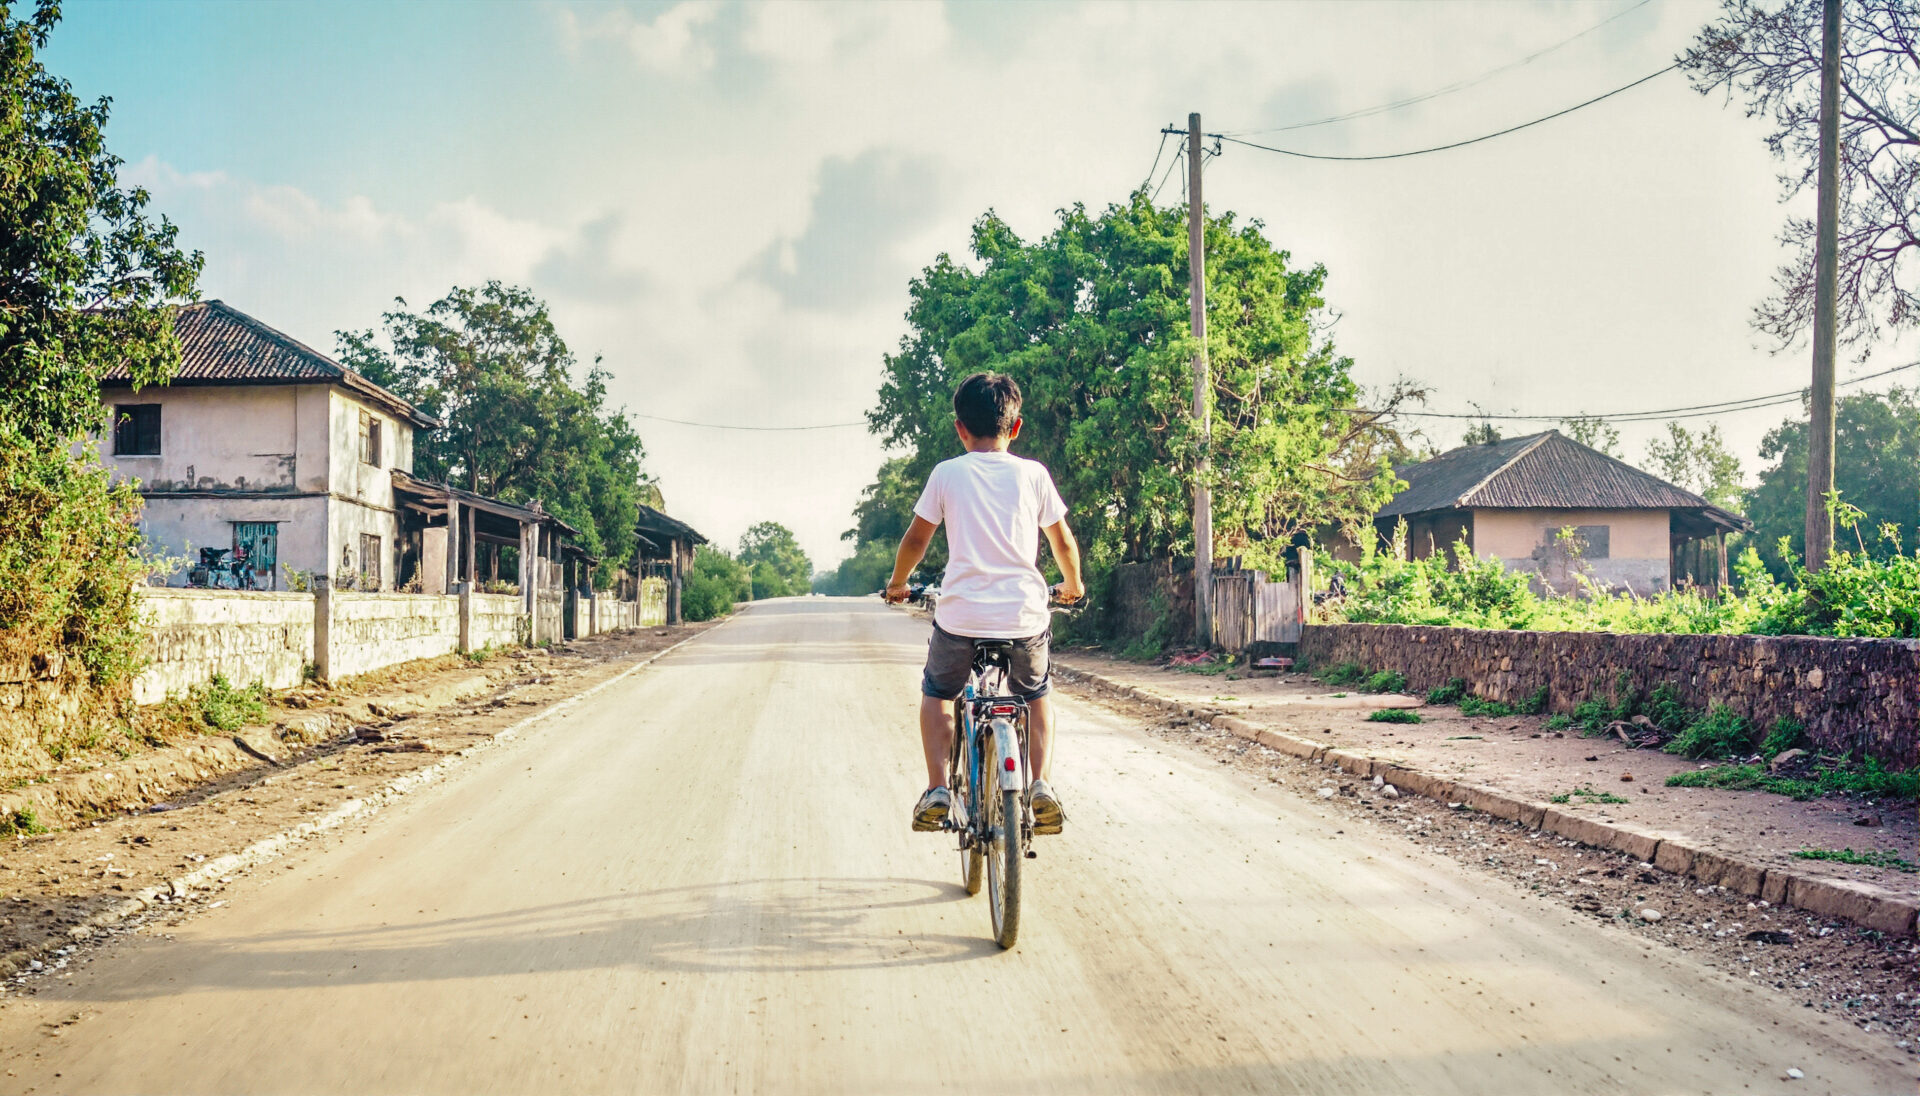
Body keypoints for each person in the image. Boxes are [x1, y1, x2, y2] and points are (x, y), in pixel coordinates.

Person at [884, 372, 1084, 836]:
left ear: (960, 428)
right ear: (1016, 427)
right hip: (1024, 616)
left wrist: (898, 584)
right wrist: (1071, 585)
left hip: (960, 616)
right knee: (1035, 696)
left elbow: (916, 539)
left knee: (939, 694)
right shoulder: (1034, 474)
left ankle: (938, 789)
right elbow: (1063, 542)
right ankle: (1040, 784)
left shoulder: (947, 473)